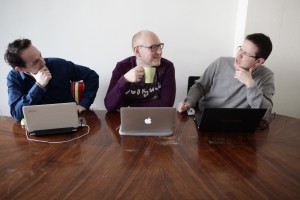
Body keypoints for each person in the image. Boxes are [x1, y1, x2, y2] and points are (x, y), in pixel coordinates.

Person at [177, 33, 274, 121]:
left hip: (238, 122)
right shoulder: (221, 62)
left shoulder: (266, 76)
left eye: (246, 53)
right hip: (206, 116)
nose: (239, 55)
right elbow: (200, 86)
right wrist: (189, 102)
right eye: (241, 48)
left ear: (259, 62)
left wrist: (250, 85)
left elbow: (266, 114)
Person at [4, 38, 99, 122]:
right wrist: (38, 86)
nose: (43, 62)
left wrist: (84, 104)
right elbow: (17, 114)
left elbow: (91, 75)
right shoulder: (14, 77)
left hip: (68, 118)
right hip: (37, 123)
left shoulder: (58, 65)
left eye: (40, 55)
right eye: (36, 62)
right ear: (21, 69)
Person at [104, 30, 176, 111]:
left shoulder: (167, 67)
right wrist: (124, 80)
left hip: (155, 118)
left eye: (160, 46)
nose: (160, 52)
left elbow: (166, 105)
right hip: (127, 120)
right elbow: (109, 105)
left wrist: (130, 107)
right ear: (137, 51)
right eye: (153, 47)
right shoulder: (122, 67)